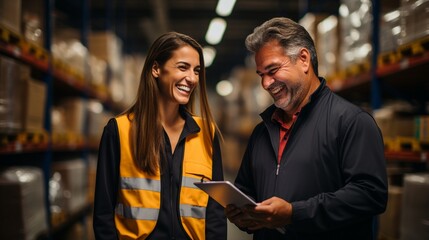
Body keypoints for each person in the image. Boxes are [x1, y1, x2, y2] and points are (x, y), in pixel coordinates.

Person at [225, 17, 388, 240]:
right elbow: (246, 190)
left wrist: (294, 213)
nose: (265, 84)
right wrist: (244, 216)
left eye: (272, 70)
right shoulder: (261, 133)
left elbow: (370, 195)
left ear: (303, 59)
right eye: (261, 75)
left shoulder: (351, 122)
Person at [93, 32, 227, 240]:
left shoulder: (207, 133)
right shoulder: (119, 130)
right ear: (156, 69)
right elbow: (103, 213)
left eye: (197, 71)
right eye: (183, 67)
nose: (192, 78)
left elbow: (215, 214)